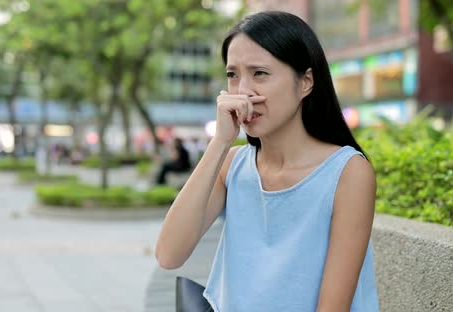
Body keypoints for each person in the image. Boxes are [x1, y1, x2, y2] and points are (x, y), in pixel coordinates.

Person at [155, 11, 379, 311]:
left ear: (306, 83)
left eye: (260, 73)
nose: (243, 91)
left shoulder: (347, 173)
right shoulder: (232, 164)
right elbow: (169, 254)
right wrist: (221, 141)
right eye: (232, 75)